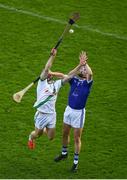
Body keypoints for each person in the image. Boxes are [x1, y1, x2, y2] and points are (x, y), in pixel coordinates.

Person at [28, 48, 87, 149]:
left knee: (51, 137)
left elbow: (68, 77)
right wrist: (53, 56)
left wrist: (80, 66)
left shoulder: (56, 85)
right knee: (37, 134)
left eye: (50, 74)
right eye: (47, 74)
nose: (49, 75)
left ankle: (44, 128)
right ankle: (30, 137)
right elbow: (47, 69)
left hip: (51, 115)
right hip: (41, 114)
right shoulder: (42, 83)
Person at [54, 51, 93, 172]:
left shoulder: (88, 83)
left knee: (77, 138)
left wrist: (85, 63)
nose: (83, 70)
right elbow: (68, 75)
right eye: (83, 69)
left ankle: (75, 163)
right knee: (65, 133)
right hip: (69, 109)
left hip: (78, 113)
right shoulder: (74, 80)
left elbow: (90, 73)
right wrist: (79, 65)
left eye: (84, 69)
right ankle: (64, 153)